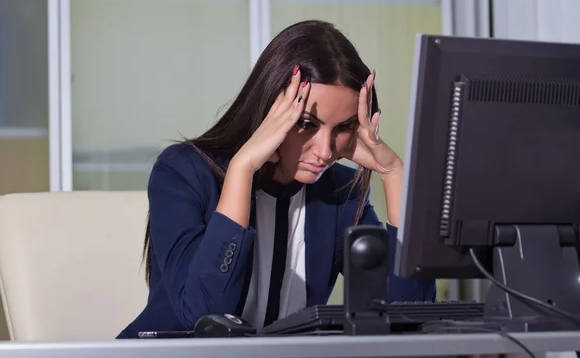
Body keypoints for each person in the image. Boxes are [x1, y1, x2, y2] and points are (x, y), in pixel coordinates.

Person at [117, 20, 435, 338]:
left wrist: (396, 175)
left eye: (342, 128)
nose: (325, 151)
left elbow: (407, 321)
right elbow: (202, 317)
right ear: (270, 111)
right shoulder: (183, 172)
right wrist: (242, 170)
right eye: (307, 123)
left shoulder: (340, 193)